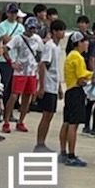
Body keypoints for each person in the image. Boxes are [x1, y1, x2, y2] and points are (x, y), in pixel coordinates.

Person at [4, 13, 42, 134]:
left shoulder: (37, 39)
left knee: (27, 97)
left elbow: (41, 52)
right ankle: (6, 121)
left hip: (31, 72)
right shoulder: (18, 38)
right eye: (30, 28)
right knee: (14, 96)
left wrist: (39, 65)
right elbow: (5, 49)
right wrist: (11, 63)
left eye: (34, 28)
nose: (32, 31)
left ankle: (21, 121)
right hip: (20, 72)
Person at [59, 32, 90, 168]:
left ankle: (63, 152)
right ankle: (71, 155)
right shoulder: (78, 57)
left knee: (66, 122)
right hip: (76, 92)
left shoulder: (70, 55)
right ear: (79, 43)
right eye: (85, 41)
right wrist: (90, 77)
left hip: (69, 91)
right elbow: (82, 79)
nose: (87, 44)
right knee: (73, 124)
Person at [34, 17, 63, 148]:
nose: (62, 33)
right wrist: (41, 87)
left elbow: (56, 69)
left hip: (54, 85)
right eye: (60, 30)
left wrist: (59, 87)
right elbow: (42, 66)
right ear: (54, 31)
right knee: (46, 115)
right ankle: (40, 143)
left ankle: (42, 143)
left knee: (50, 115)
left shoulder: (57, 47)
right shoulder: (49, 47)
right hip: (48, 85)